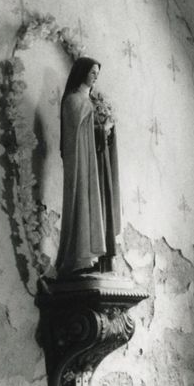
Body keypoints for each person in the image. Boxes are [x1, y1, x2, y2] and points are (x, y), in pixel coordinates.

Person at [56, 57, 121, 277]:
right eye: (92, 72)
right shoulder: (73, 101)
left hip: (97, 166)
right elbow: (78, 136)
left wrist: (107, 130)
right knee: (82, 204)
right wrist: (102, 130)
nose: (95, 77)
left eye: (97, 74)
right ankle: (79, 259)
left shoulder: (91, 102)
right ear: (82, 72)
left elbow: (94, 132)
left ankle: (95, 257)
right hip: (82, 166)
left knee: (99, 205)